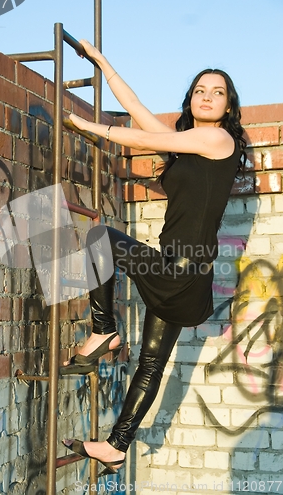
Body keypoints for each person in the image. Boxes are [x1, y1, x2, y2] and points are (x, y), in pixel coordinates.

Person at [62, 40, 246, 475]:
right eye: (201, 89)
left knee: (100, 238)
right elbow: (140, 113)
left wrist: (91, 127)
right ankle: (116, 445)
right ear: (191, 98)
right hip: (186, 274)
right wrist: (104, 63)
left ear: (228, 107)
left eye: (217, 92)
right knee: (150, 363)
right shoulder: (186, 146)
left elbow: (140, 135)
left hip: (180, 269)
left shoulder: (217, 138)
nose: (207, 95)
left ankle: (103, 330)